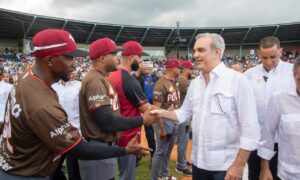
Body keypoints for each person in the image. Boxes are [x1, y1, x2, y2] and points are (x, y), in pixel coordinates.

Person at [0, 29, 150, 179]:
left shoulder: (27, 78)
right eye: (69, 57)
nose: (74, 63)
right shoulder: (41, 103)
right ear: (49, 60)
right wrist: (125, 150)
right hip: (27, 174)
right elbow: (80, 149)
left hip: (20, 166)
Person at [151, 33, 261, 180]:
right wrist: (157, 111)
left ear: (217, 52)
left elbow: (250, 129)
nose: (195, 55)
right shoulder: (195, 84)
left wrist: (239, 165)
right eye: (195, 50)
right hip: (199, 164)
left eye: (201, 50)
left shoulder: (238, 81)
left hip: (227, 167)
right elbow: (184, 113)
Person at [78, 38, 157, 180]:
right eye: (114, 54)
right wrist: (142, 119)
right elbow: (107, 121)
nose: (118, 57)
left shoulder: (103, 78)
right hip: (97, 146)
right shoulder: (95, 80)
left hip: (105, 146)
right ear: (102, 58)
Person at [109, 40, 161, 180]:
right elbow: (146, 109)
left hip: (118, 130)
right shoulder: (128, 79)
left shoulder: (112, 75)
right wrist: (170, 114)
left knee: (123, 172)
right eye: (139, 57)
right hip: (128, 135)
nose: (140, 61)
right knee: (127, 175)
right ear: (131, 57)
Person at [244, 36, 294, 180]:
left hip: (285, 141)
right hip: (257, 139)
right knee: (254, 175)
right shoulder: (249, 75)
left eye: (272, 56)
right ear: (258, 54)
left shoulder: (292, 72)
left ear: (281, 51)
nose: (268, 61)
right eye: (264, 57)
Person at [258, 57, 300, 180]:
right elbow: (268, 134)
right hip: (289, 174)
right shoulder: (279, 99)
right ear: (293, 76)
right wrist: (265, 168)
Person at [150, 58, 181, 180]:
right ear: (172, 68)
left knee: (168, 150)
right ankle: (154, 178)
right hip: (164, 122)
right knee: (160, 151)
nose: (180, 70)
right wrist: (161, 128)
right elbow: (156, 110)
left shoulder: (173, 82)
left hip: (173, 121)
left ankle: (163, 174)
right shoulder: (160, 84)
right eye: (178, 68)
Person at [52, 70, 82, 180]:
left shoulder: (79, 85)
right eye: (70, 71)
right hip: (58, 133)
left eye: (74, 71)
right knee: (54, 169)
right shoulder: (54, 87)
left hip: (75, 133)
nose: (73, 73)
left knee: (73, 170)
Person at [134, 61, 158, 164]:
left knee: (150, 135)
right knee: (136, 133)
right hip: (139, 109)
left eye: (149, 67)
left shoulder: (155, 78)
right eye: (146, 67)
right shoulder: (139, 78)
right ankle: (136, 157)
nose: (147, 69)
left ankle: (153, 157)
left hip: (150, 109)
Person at [174, 61, 193, 177]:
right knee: (182, 141)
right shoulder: (183, 81)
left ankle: (182, 160)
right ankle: (181, 166)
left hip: (184, 115)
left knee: (184, 141)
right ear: (185, 69)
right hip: (182, 116)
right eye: (191, 69)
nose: (192, 71)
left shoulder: (183, 80)